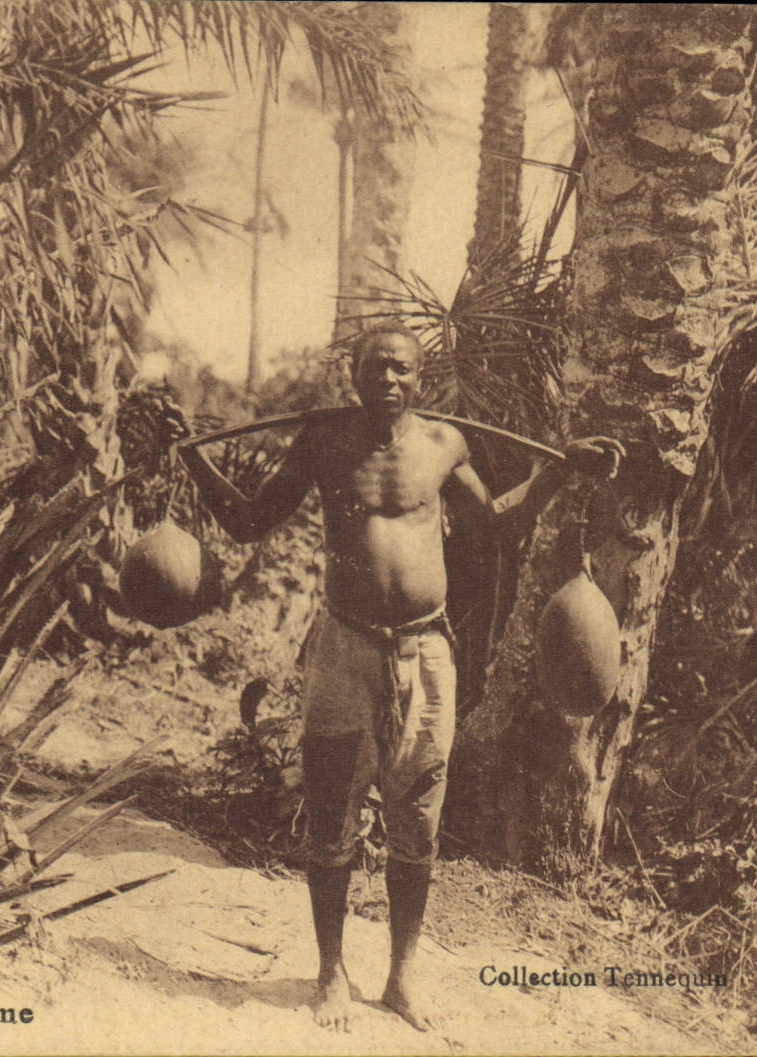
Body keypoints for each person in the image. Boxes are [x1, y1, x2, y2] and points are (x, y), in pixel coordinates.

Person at [176, 325, 623, 1032]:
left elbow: (498, 527)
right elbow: (247, 520)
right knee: (331, 814)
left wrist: (558, 471)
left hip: (426, 655)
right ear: (352, 375)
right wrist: (191, 458)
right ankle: (331, 971)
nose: (388, 379)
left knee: (418, 820)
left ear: (420, 378)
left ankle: (401, 977)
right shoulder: (323, 443)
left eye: (402, 369)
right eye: (375, 367)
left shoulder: (444, 444)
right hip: (343, 649)